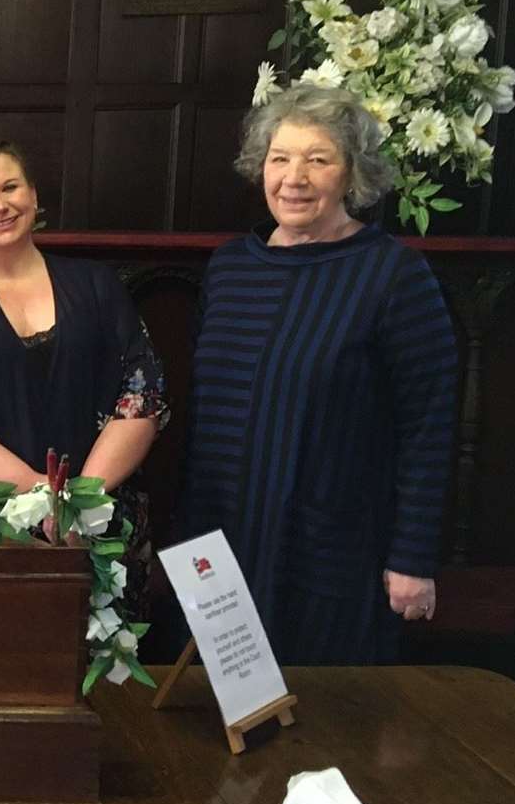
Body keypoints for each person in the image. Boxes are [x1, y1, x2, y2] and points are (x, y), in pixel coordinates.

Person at [178, 85, 457, 664]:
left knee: (329, 729)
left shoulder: (394, 275)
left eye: (318, 159)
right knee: (221, 722)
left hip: (331, 549)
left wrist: (413, 557)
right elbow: (205, 419)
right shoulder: (231, 267)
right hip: (222, 543)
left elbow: (429, 427)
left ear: (352, 173)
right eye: (279, 158)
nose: (294, 177)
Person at [0, 141, 168, 589]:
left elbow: (143, 397)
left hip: (99, 520)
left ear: (34, 196)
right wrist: (43, 501)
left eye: (10, 187)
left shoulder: (97, 285)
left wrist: (77, 501)